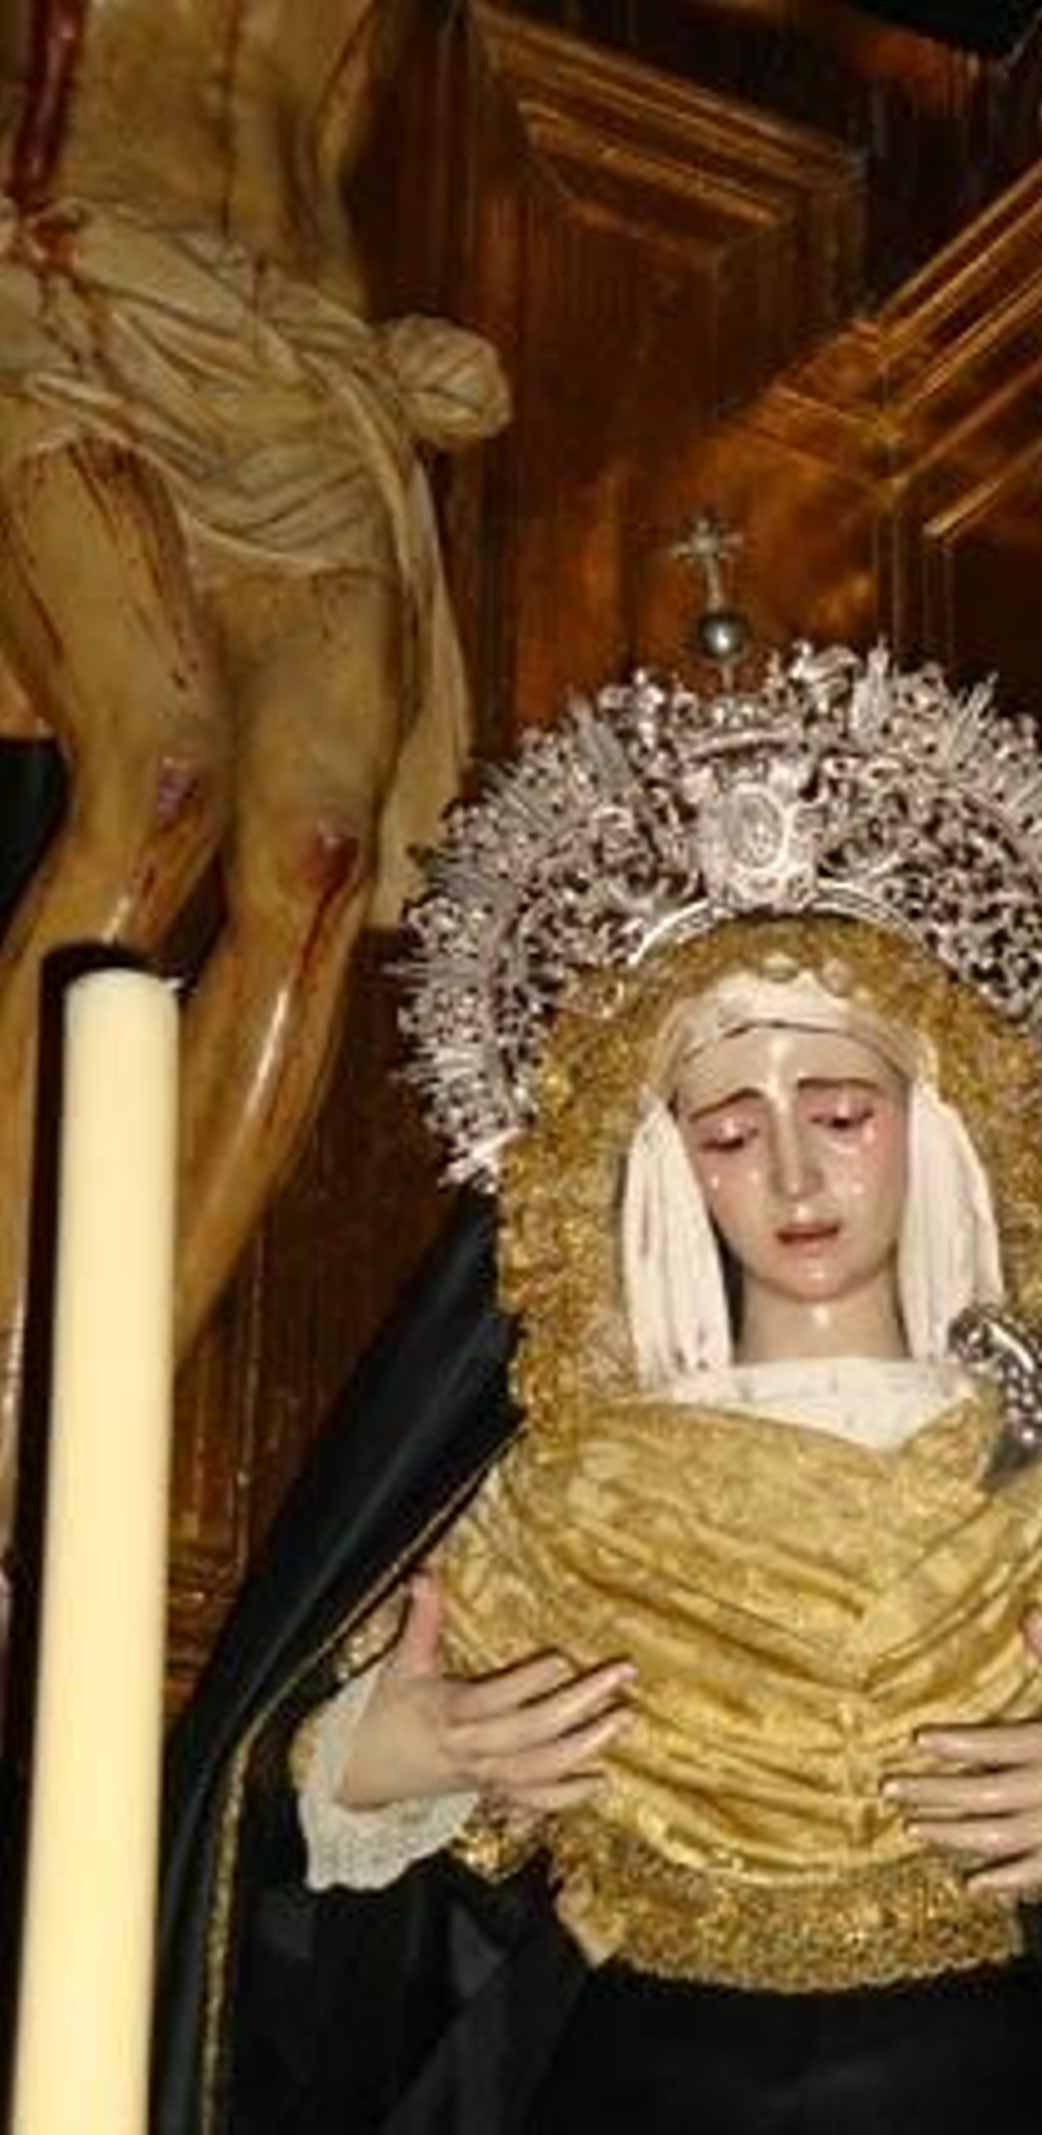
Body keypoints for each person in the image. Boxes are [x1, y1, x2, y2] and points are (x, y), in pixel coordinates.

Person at [155, 640, 1042, 2132]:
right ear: (654, 1170)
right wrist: (373, 1769)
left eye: (842, 1109)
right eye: (725, 1130)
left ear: (940, 1120)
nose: (794, 1175)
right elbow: (335, 1910)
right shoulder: (557, 1493)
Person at [0, 0, 509, 1550]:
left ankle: (75, 1439)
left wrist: (392, 345)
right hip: (60, 288)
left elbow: (317, 145)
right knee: (161, 777)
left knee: (317, 860)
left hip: (305, 366)